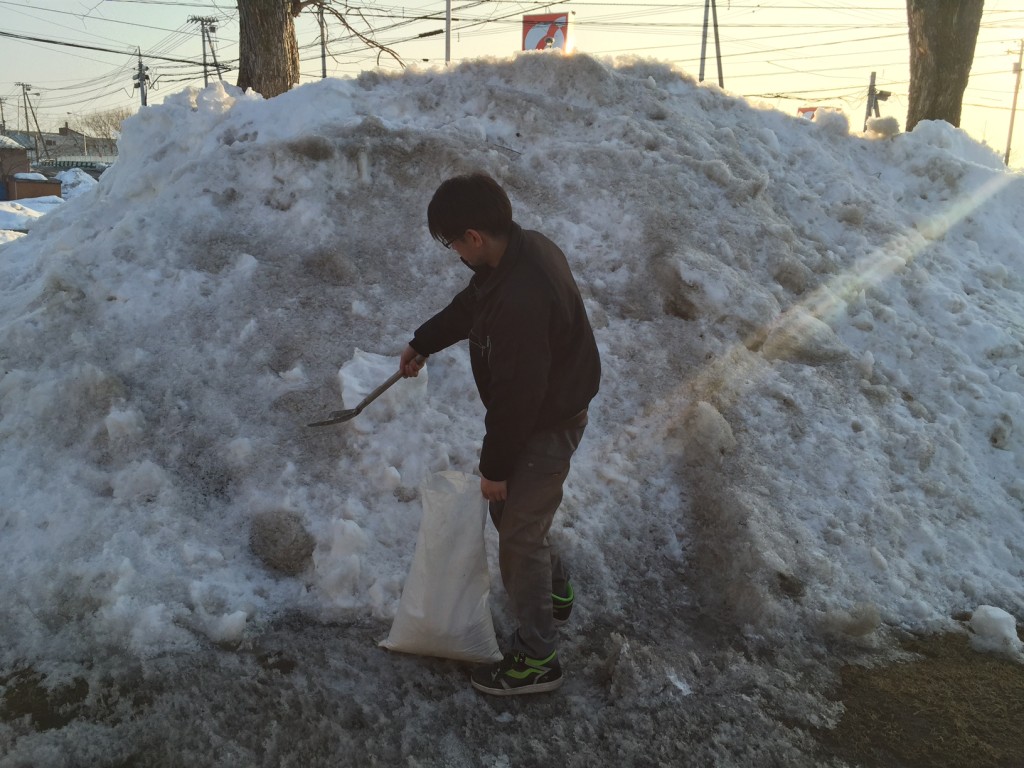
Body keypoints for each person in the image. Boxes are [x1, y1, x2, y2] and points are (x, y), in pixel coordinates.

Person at [399, 172, 601, 696]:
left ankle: (538, 660)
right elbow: (473, 305)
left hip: (546, 421)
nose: (454, 255)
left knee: (517, 530)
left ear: (473, 236)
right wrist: (424, 342)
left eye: (451, 243)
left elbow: (518, 398)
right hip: (543, 409)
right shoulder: (519, 250)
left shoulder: (521, 297)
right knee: (516, 516)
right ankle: (553, 591)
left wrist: (494, 469)